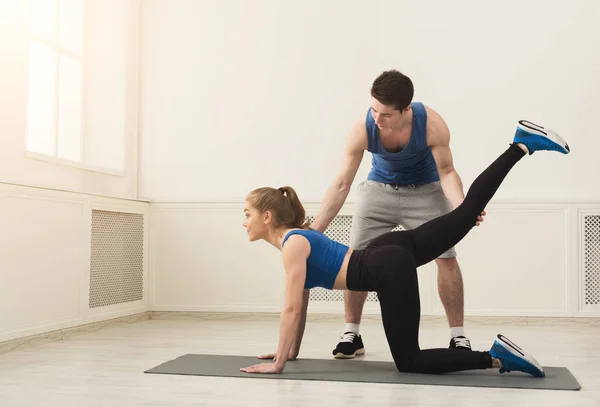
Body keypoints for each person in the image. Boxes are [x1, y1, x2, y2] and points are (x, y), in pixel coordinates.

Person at [239, 120, 570, 375]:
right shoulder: (297, 239)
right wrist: (289, 353)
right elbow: (302, 305)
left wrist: (279, 363)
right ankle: (520, 144)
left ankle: (495, 357)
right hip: (387, 250)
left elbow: (292, 309)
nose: (244, 221)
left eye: (248, 214)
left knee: (410, 360)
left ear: (267, 217)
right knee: (466, 213)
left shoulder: (293, 244)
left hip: (386, 267)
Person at [310, 70, 484, 358]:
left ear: (406, 109)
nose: (377, 119)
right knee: (357, 258)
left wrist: (464, 207)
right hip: (379, 190)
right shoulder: (364, 129)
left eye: (386, 114)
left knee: (447, 258)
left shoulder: (432, 125)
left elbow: (447, 172)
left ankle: (458, 336)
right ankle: (351, 333)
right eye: (373, 109)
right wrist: (315, 230)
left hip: (426, 191)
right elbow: (342, 183)